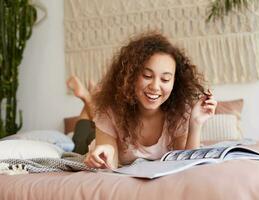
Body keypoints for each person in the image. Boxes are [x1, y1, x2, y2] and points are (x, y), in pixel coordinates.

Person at [67, 32, 217, 169]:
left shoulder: (180, 112)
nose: (155, 87)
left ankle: (88, 99)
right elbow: (109, 170)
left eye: (165, 79)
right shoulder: (109, 110)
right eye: (147, 76)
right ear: (130, 76)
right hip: (91, 143)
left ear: (174, 82)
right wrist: (105, 156)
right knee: (79, 140)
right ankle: (87, 100)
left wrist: (196, 123)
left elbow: (185, 165)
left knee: (89, 120)